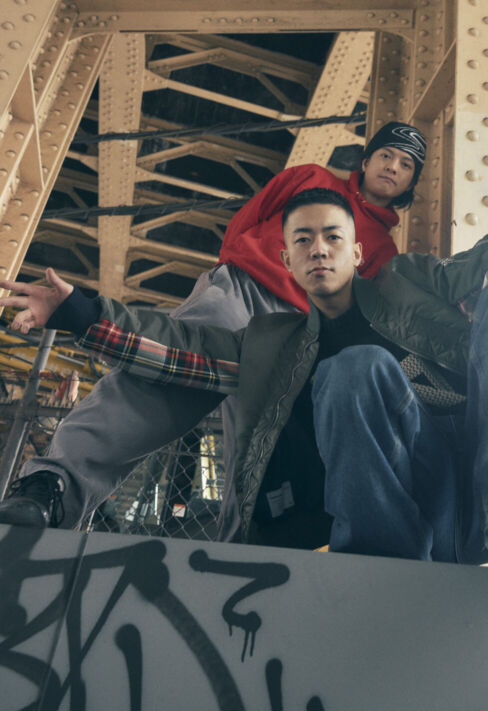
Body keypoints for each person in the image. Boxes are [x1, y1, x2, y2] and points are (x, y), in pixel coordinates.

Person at [0, 136, 488, 581]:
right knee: (353, 368)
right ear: (285, 259)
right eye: (303, 240)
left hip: (473, 492)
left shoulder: (409, 281)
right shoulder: (271, 342)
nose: (319, 249)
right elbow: (182, 353)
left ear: (360, 252)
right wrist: (80, 312)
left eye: (333, 238)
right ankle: (374, 565)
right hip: (398, 521)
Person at [0, 121, 427, 531]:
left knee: (266, 447)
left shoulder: (384, 251)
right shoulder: (310, 178)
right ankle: (53, 486)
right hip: (242, 288)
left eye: (405, 164)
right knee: (165, 376)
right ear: (366, 160)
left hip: (295, 329)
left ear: (411, 182)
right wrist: (232, 268)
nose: (392, 167)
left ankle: (243, 547)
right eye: (386, 155)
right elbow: (248, 219)